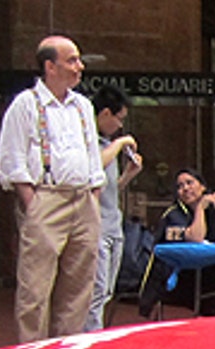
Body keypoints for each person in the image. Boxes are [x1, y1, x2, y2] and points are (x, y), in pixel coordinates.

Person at [0, 35, 105, 342]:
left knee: (78, 287)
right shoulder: (26, 104)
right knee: (36, 286)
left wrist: (93, 199)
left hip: (82, 198)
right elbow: (12, 157)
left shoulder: (82, 105)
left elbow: (93, 157)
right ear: (50, 66)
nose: (79, 67)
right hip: (47, 196)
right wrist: (32, 202)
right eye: (71, 60)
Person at [83, 85, 142, 331]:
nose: (119, 125)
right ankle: (90, 336)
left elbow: (107, 189)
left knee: (106, 290)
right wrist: (120, 144)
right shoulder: (89, 142)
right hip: (95, 227)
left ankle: (94, 332)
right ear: (105, 114)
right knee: (95, 291)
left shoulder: (107, 145)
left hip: (112, 224)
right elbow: (92, 169)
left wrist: (128, 175)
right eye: (119, 119)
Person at [142, 168, 215, 315]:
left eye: (189, 183)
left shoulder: (211, 210)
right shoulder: (173, 214)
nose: (185, 189)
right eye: (180, 186)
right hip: (177, 277)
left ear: (202, 187)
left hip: (208, 272)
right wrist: (200, 209)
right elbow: (196, 238)